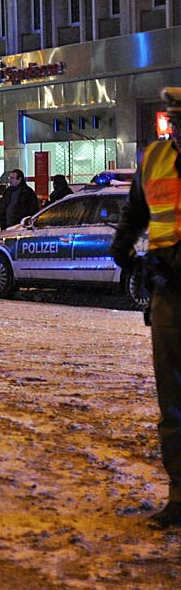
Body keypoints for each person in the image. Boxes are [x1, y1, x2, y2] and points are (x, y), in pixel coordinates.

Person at [110, 86, 181, 529]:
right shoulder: (154, 158)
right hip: (169, 290)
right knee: (173, 404)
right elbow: (138, 210)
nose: (177, 128)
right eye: (176, 121)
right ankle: (180, 496)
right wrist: (123, 246)